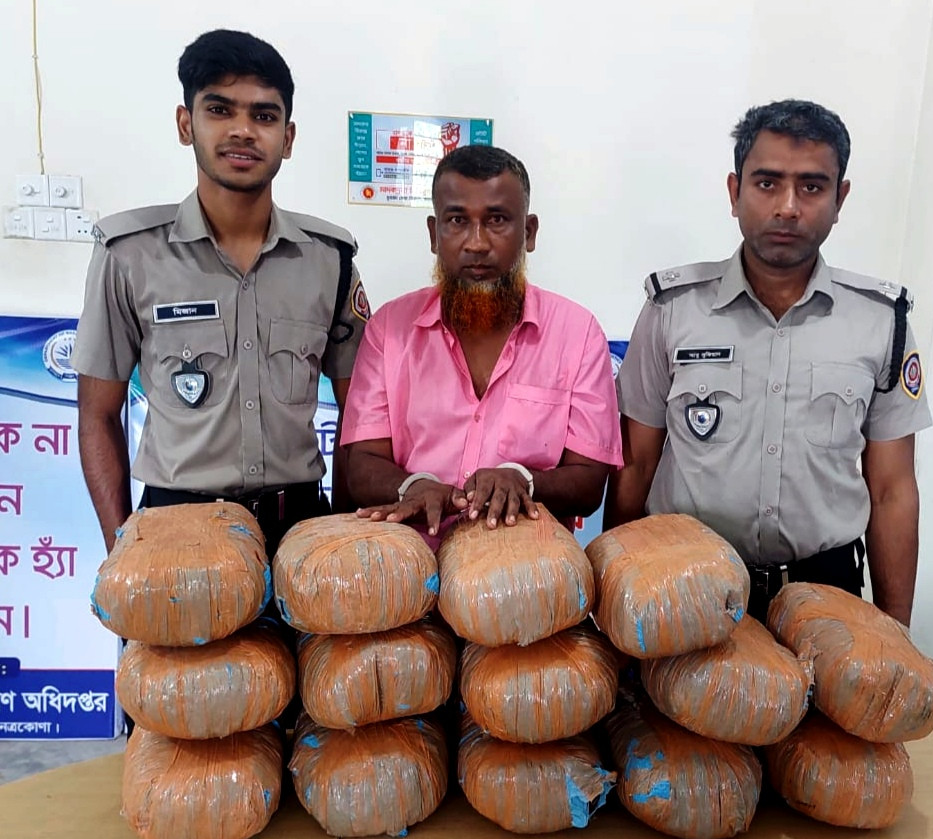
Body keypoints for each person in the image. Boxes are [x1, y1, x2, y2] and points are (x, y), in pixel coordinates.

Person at [606, 99, 932, 626]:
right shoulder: (673, 308)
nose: (788, 207)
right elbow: (634, 465)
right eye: (767, 183)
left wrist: (894, 630)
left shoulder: (880, 321)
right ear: (734, 192)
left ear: (840, 198)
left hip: (825, 593)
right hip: (685, 585)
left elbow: (892, 489)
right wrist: (613, 604)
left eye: (812, 186)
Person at [71, 29, 368, 559]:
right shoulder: (129, 255)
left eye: (264, 115)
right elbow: (97, 414)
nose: (242, 131)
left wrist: (341, 533)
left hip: (299, 532)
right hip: (174, 532)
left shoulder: (330, 260)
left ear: (288, 138)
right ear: (186, 125)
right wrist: (120, 548)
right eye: (219, 110)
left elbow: (359, 413)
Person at [340, 145, 622, 541]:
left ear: (529, 233)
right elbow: (361, 463)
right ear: (434, 234)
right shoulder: (388, 329)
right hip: (412, 562)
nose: (476, 243)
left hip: (527, 566)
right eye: (457, 220)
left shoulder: (577, 333)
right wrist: (410, 486)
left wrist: (524, 480)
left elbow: (590, 483)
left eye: (496, 220)